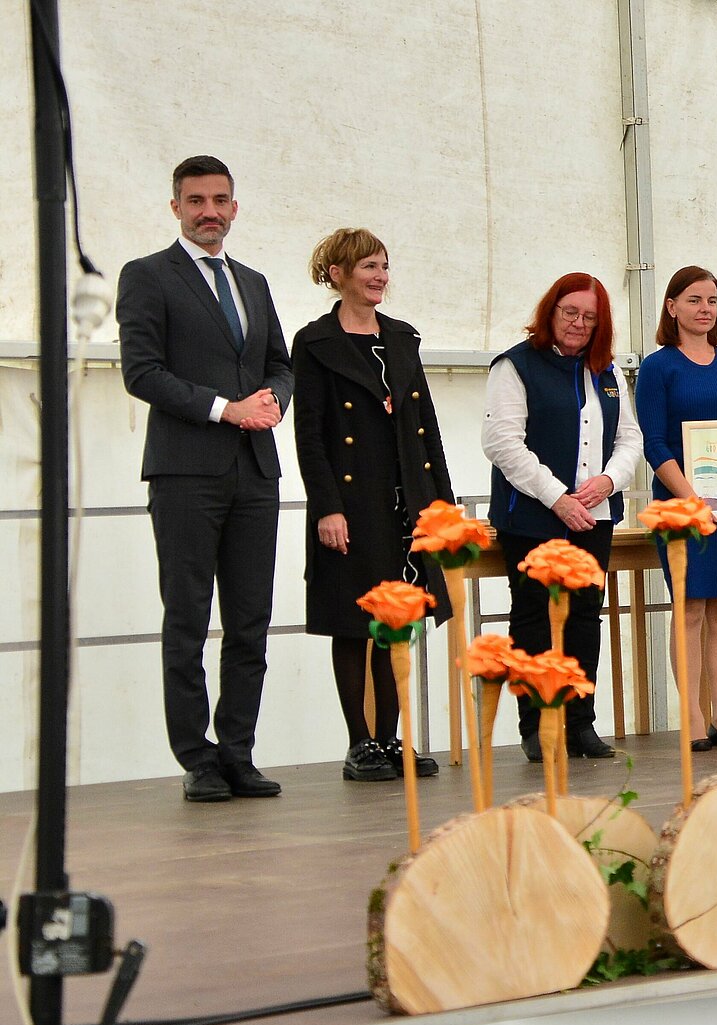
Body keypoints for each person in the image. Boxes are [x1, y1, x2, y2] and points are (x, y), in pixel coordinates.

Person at [117, 155, 293, 803]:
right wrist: (228, 409)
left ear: (235, 206)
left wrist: (274, 397)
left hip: (255, 472)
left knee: (250, 621)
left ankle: (238, 751)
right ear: (176, 208)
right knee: (187, 619)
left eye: (220, 199)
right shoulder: (147, 277)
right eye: (196, 201)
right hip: (186, 471)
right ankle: (197, 757)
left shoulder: (252, 281)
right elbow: (141, 371)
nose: (209, 211)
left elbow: (279, 362)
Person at [292, 228, 454, 781]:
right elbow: (309, 435)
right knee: (351, 622)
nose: (380, 275)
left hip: (404, 499)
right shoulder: (314, 342)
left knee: (397, 621)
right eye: (368, 266)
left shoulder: (403, 339)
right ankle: (359, 743)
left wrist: (443, 508)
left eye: (384, 265)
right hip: (350, 502)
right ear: (337, 273)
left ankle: (390, 739)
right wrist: (326, 508)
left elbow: (425, 425)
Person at [483, 273, 641, 762]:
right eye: (570, 312)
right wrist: (557, 497)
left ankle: (580, 720)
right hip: (532, 518)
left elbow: (629, 438)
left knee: (584, 617)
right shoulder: (515, 365)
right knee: (533, 617)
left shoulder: (607, 372)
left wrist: (608, 482)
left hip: (594, 516)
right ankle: (535, 724)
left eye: (590, 317)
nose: (578, 323)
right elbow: (502, 443)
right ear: (550, 312)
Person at [638, 266, 717, 748]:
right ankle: (692, 717)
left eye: (711, 300)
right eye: (694, 300)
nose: (704, 309)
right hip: (681, 509)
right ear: (672, 306)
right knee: (690, 608)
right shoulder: (658, 367)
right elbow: (654, 443)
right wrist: (690, 498)